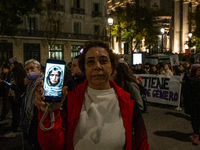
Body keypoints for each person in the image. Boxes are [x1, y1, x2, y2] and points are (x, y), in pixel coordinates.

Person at [34, 40, 149, 150]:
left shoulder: (128, 103)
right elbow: (52, 146)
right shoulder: (69, 100)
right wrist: (50, 114)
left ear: (112, 67)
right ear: (84, 69)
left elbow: (141, 144)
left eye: (103, 61)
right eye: (90, 62)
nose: (97, 66)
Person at [21, 59, 44, 150]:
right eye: (27, 69)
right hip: (32, 119)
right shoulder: (31, 82)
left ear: (39, 69)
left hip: (38, 120)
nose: (29, 71)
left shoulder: (41, 82)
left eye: (32, 68)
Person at [3, 62, 26, 138]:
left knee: (16, 113)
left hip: (16, 96)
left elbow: (14, 86)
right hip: (16, 96)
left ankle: (14, 129)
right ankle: (14, 127)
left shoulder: (16, 75)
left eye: (12, 65)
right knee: (16, 112)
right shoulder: (18, 74)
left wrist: (5, 82)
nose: (10, 66)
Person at [182, 63, 200, 145]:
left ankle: (197, 135)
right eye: (198, 70)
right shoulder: (189, 79)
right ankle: (195, 133)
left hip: (198, 103)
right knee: (193, 119)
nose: (199, 72)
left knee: (198, 119)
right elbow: (186, 91)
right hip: (192, 103)